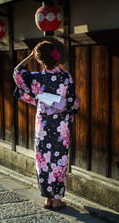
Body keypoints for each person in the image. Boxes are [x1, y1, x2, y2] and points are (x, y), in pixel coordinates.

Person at [13, 41, 80, 210]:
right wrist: (69, 110)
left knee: (43, 159)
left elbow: (17, 73)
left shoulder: (37, 78)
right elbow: (73, 102)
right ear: (56, 55)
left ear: (40, 59)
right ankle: (57, 200)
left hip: (42, 124)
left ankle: (47, 199)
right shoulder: (65, 77)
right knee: (59, 160)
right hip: (61, 125)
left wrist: (30, 56)